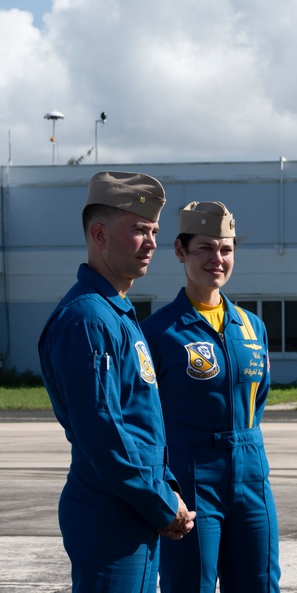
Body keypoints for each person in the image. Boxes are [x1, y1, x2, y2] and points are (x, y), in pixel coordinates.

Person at [37, 171, 195, 592]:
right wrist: (162, 503)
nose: (152, 243)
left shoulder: (116, 313)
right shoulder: (88, 319)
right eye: (139, 230)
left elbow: (141, 424)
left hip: (134, 507)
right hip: (112, 514)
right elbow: (103, 430)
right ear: (100, 234)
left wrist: (166, 491)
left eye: (155, 231)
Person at [141, 201, 280, 592]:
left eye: (226, 249)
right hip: (190, 478)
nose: (216, 259)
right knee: (190, 584)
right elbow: (145, 417)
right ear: (180, 250)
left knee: (261, 583)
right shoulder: (158, 332)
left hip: (252, 476)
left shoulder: (252, 327)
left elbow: (258, 399)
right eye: (204, 247)